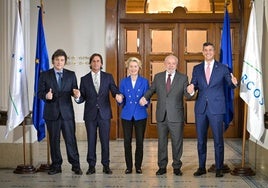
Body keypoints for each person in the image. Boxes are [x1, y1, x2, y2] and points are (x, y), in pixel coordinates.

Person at [187, 42, 238, 178]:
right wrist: (191, 89)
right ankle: (201, 167)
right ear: (202, 52)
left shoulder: (223, 68)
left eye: (210, 50)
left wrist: (234, 83)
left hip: (217, 108)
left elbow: (230, 83)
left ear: (214, 52)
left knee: (218, 140)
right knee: (201, 140)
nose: (208, 52)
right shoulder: (197, 68)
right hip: (201, 109)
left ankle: (219, 168)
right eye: (205, 50)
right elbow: (194, 84)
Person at [140, 54, 192, 176]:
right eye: (168, 63)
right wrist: (144, 97)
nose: (171, 65)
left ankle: (177, 167)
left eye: (173, 63)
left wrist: (191, 91)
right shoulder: (158, 77)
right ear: (165, 64)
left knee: (177, 142)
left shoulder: (183, 78)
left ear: (176, 65)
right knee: (162, 142)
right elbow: (151, 90)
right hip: (161, 116)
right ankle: (162, 167)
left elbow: (188, 95)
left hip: (176, 116)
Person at [73, 53, 122, 175]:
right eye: (93, 61)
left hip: (104, 114)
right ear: (90, 63)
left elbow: (114, 90)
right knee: (91, 140)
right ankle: (91, 166)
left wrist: (117, 95)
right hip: (90, 115)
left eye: (98, 61)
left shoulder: (108, 77)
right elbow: (82, 97)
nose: (96, 63)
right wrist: (78, 97)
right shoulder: (84, 79)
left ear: (101, 63)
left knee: (105, 140)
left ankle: (106, 165)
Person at [38, 49, 82, 175]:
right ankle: (56, 166)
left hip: (67, 114)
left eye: (62, 60)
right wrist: (46, 96)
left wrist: (77, 95)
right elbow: (39, 93)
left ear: (65, 62)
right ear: (53, 61)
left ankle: (75, 165)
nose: (59, 62)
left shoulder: (71, 75)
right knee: (54, 140)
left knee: (70, 140)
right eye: (57, 60)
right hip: (52, 114)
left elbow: (75, 92)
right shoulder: (45, 75)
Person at [118, 57, 149, 174]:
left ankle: (138, 166)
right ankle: (129, 167)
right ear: (128, 68)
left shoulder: (144, 81)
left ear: (139, 68)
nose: (133, 69)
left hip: (140, 114)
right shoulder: (123, 82)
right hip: (126, 115)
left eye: (135, 66)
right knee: (127, 141)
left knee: (140, 141)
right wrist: (119, 98)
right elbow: (121, 99)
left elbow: (148, 96)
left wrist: (146, 101)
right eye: (131, 66)